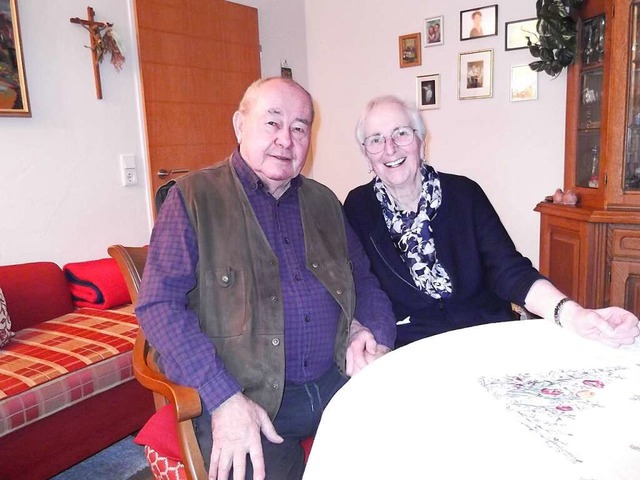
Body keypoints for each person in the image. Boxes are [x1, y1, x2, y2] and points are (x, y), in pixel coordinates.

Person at [136, 78, 396, 480]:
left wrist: (371, 332)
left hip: (337, 379)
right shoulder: (192, 198)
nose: (286, 140)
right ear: (240, 125)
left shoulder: (324, 201)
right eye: (272, 123)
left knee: (416, 449)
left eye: (299, 127)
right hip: (249, 399)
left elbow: (363, 279)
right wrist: (222, 397)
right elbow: (158, 306)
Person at [344, 95, 640, 349]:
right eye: (376, 140)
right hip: (415, 346)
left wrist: (571, 313)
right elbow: (360, 286)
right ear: (367, 156)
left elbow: (508, 269)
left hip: (484, 333)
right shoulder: (358, 207)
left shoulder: (464, 194)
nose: (390, 148)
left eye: (401, 133)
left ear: (421, 142)